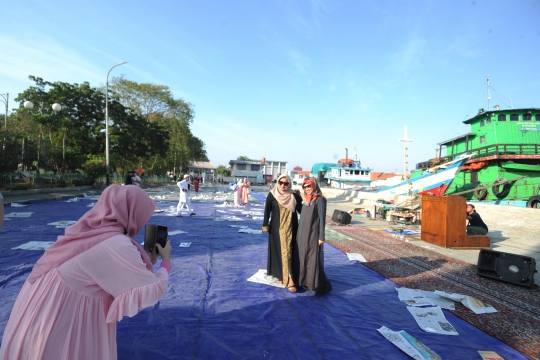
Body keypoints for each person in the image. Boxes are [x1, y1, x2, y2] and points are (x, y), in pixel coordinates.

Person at [0, 185, 172, 360]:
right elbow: (152, 289)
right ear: (133, 212)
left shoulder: (89, 232)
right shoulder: (114, 243)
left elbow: (101, 269)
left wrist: (147, 262)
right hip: (58, 321)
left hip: (38, 315)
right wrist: (165, 261)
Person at [263, 175, 303, 292]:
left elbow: (302, 211)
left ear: (289, 183)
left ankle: (289, 278)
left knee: (289, 253)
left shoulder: (294, 195)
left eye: (286, 183)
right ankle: (283, 276)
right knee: (279, 253)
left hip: (292, 229)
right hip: (276, 229)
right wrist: (265, 224)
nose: (283, 185)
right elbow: (267, 211)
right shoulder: (272, 194)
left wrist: (313, 200)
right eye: (281, 183)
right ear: (278, 182)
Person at [296, 177, 332, 296]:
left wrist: (321, 236)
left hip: (312, 233)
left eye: (309, 186)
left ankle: (314, 284)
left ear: (314, 186)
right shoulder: (305, 200)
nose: (307, 189)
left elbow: (322, 219)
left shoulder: (319, 199)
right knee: (303, 255)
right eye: (305, 187)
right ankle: (304, 281)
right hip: (302, 233)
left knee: (312, 257)